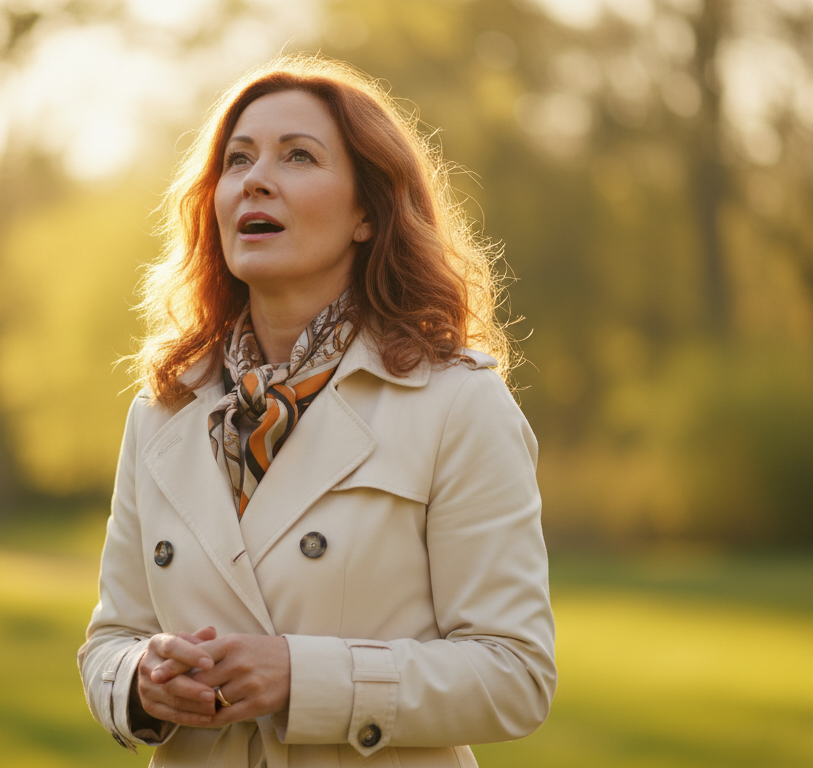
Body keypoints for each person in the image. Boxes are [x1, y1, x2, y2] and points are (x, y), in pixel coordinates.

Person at [78, 54, 555, 767]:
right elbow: (110, 640)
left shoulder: (457, 401)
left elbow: (516, 676)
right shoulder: (163, 407)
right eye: (238, 160)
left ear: (367, 213)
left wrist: (305, 679)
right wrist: (140, 682)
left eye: (298, 156)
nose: (255, 179)